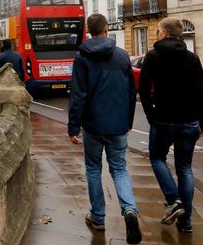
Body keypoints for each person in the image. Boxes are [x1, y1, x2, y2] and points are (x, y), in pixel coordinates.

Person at [68, 13, 142, 244]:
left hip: (93, 124)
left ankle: (98, 217)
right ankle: (129, 209)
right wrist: (128, 122)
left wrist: (73, 127)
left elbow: (78, 95)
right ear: (106, 29)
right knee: (119, 169)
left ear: (89, 31)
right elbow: (132, 92)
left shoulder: (82, 57)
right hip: (118, 125)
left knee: (92, 169)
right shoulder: (121, 56)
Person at [138, 17, 203, 234]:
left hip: (163, 119)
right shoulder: (192, 58)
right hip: (189, 121)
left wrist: (151, 116)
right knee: (185, 168)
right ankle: (186, 223)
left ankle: (173, 199)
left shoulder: (152, 56)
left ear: (164, 33)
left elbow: (143, 89)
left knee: (157, 158)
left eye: (159, 30)